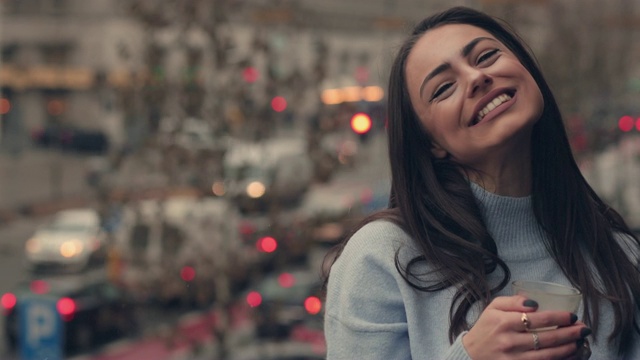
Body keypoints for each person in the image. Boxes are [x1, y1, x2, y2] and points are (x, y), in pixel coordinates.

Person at [322, 6, 640, 360]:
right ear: (431, 144)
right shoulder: (383, 257)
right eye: (443, 88)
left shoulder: (619, 257)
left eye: (486, 56)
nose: (476, 77)